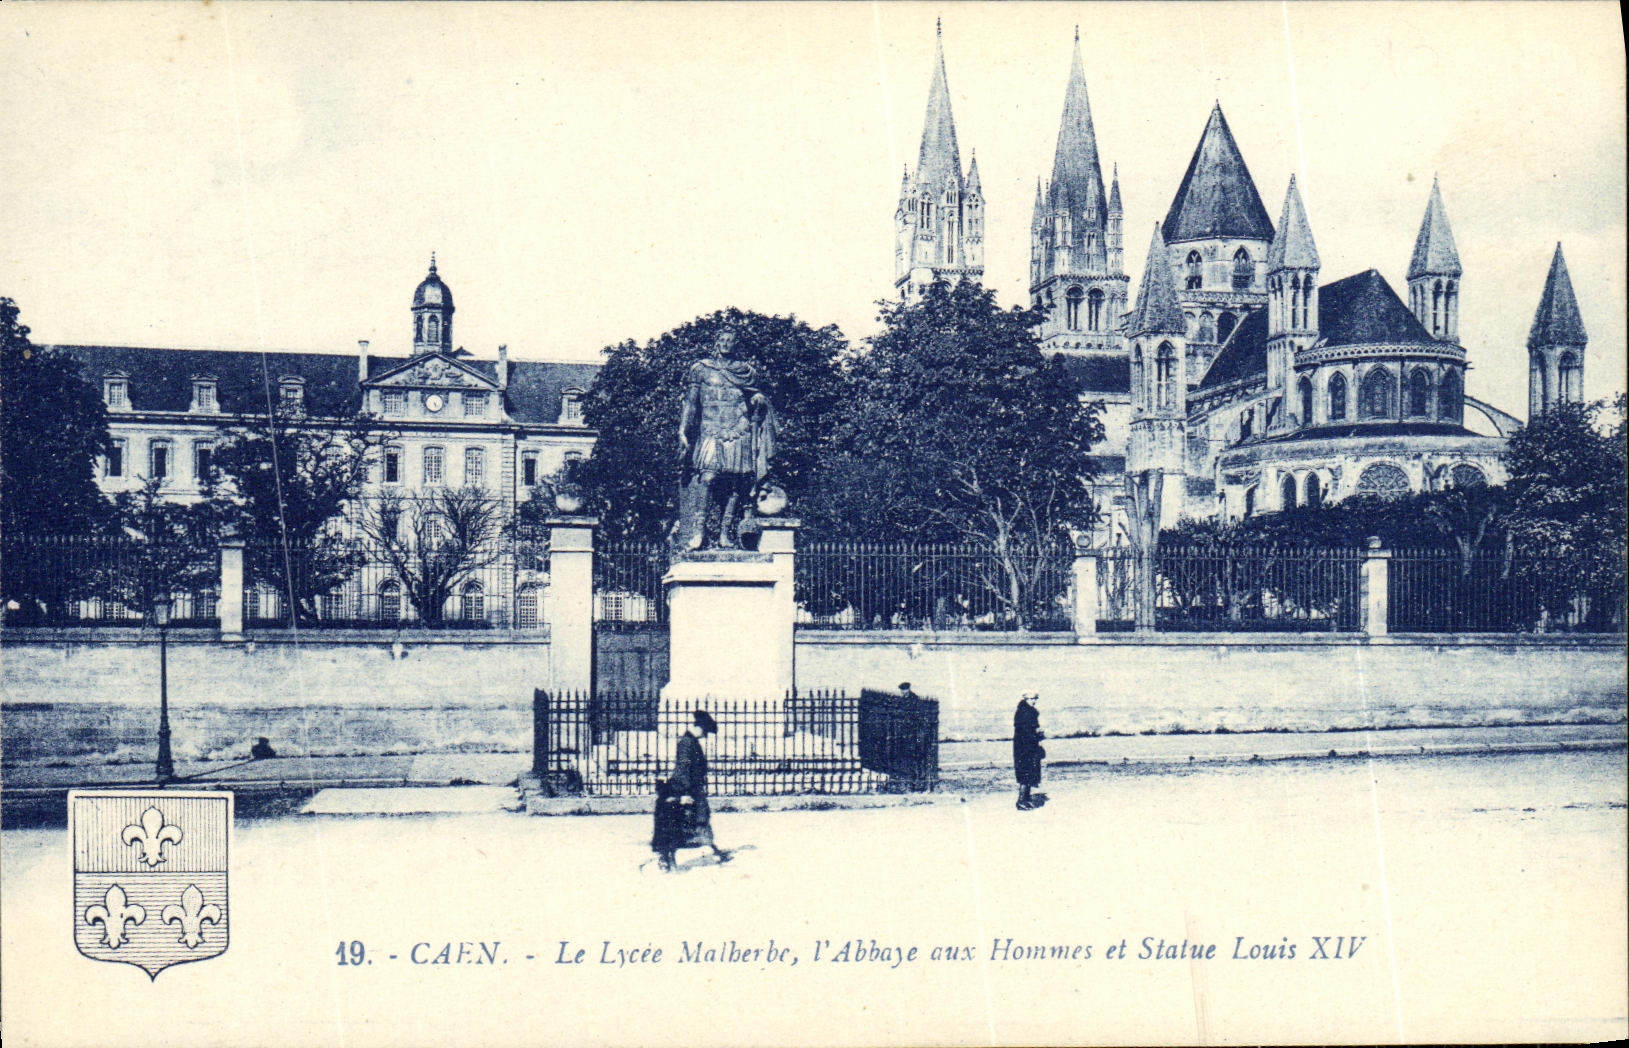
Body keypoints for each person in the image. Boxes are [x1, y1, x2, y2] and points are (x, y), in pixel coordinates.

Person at [674, 326, 776, 551]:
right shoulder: (700, 369)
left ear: (735, 344)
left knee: (736, 484)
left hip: (739, 429)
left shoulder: (746, 371)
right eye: (723, 338)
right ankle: (698, 533)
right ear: (716, 342)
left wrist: (757, 397)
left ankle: (724, 534)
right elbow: (691, 402)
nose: (726, 343)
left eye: (731, 340)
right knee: (708, 478)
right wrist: (683, 430)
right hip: (711, 429)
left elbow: (752, 394)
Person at [654, 710, 731, 870]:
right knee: (681, 825)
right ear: (701, 728)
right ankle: (665, 857)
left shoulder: (691, 742)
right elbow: (683, 768)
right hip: (688, 790)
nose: (706, 736)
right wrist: (684, 794)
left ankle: (713, 850)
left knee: (701, 820)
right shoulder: (687, 743)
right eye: (706, 732)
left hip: (694, 789)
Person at [1012, 692, 1045, 810]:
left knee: (1031, 772)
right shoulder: (1023, 712)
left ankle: (1026, 799)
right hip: (1024, 747)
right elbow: (1024, 731)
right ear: (1026, 699)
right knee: (1025, 773)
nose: (1034, 701)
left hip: (1030, 746)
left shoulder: (1030, 712)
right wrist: (1036, 733)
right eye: (1031, 699)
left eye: (1035, 698)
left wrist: (1038, 734)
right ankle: (1021, 801)